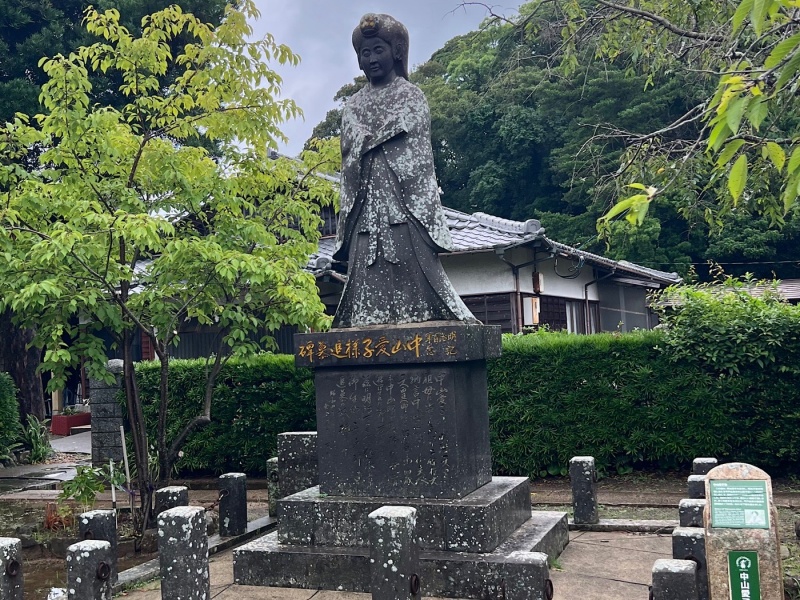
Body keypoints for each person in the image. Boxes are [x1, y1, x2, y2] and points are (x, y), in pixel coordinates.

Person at [332, 13, 477, 328]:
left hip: (401, 192)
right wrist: (361, 142)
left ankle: (423, 311)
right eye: (365, 53)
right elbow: (349, 143)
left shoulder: (410, 94)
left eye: (378, 50)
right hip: (366, 196)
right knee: (366, 252)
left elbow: (409, 132)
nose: (371, 59)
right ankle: (366, 314)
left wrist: (374, 138)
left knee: (406, 247)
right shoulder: (354, 104)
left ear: (396, 52)